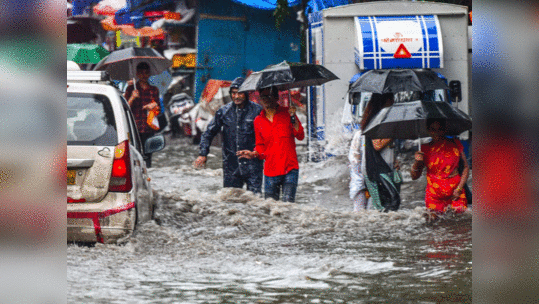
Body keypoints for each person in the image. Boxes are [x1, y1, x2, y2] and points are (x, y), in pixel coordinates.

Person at [193, 77, 264, 193]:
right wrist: (203, 154)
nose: (236, 96)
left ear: (246, 93)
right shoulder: (224, 111)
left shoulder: (257, 111)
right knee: (231, 201)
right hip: (231, 166)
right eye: (233, 93)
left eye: (240, 93)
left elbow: (267, 136)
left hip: (253, 165)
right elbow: (208, 133)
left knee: (255, 200)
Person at [237, 86, 305, 202]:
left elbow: (300, 136)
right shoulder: (258, 121)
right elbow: (261, 146)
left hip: (290, 168)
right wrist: (254, 153)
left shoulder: (287, 113)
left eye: (269, 96)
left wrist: (293, 116)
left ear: (276, 97)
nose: (266, 100)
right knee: (270, 209)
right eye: (263, 97)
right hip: (270, 171)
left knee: (288, 206)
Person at [410, 119, 469, 217]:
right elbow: (414, 177)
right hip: (434, 195)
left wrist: (459, 189)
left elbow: (466, 168)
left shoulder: (455, 143)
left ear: (445, 129)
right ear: (428, 130)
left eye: (440, 129)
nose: (437, 133)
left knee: (460, 224)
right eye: (433, 129)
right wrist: (417, 162)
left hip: (456, 193)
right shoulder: (424, 149)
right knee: (434, 224)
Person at [360, 93, 401, 210]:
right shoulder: (376, 119)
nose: (394, 101)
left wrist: (394, 160)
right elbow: (377, 145)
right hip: (375, 169)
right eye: (391, 98)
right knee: (387, 205)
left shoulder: (382, 118)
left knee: (385, 204)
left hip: (382, 168)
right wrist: (393, 134)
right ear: (385, 100)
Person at [124, 62, 160, 168]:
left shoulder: (154, 90)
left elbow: (159, 110)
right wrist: (132, 97)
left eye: (146, 73)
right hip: (134, 129)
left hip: (149, 128)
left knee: (148, 157)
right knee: (135, 157)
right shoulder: (131, 89)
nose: (144, 75)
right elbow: (125, 108)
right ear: (137, 74)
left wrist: (154, 106)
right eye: (141, 73)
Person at [348, 128, 368, 211]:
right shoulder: (360, 135)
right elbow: (354, 160)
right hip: (360, 183)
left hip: (372, 181)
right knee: (359, 211)